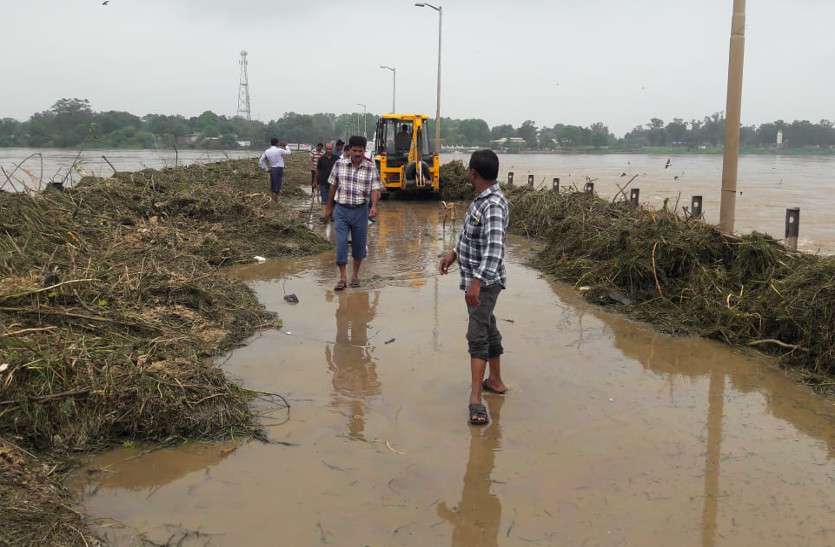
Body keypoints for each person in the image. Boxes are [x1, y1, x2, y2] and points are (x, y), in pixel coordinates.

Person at [439, 149, 509, 426]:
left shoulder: (492, 205)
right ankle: (496, 381)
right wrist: (453, 254)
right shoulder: (481, 201)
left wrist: (477, 283)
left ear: (473, 173)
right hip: (476, 279)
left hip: (485, 282)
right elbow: (469, 235)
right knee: (488, 326)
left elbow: (494, 249)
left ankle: (476, 399)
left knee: (477, 334)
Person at [323, 135, 382, 291]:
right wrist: (329, 207)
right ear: (349, 150)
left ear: (364, 151)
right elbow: (333, 186)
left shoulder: (370, 167)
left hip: (360, 211)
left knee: (359, 246)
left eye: (360, 151)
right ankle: (342, 278)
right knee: (341, 244)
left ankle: (355, 276)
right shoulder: (339, 164)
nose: (357, 154)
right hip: (341, 210)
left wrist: (374, 206)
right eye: (354, 150)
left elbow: (375, 188)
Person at [258, 137, 291, 203]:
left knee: (273, 184)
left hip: (272, 169)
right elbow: (289, 153)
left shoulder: (267, 151)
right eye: (278, 143)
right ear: (277, 143)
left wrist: (266, 168)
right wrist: (286, 146)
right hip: (279, 169)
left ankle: (273, 200)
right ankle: (276, 201)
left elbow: (261, 161)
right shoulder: (279, 150)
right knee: (278, 185)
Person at [316, 143, 338, 213]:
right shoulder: (321, 158)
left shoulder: (337, 158)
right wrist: (316, 182)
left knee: (333, 200)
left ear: (333, 149)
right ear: (325, 149)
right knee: (324, 200)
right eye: (328, 149)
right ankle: (324, 215)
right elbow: (318, 170)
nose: (329, 150)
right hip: (323, 182)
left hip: (334, 183)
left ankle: (331, 214)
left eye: (330, 149)